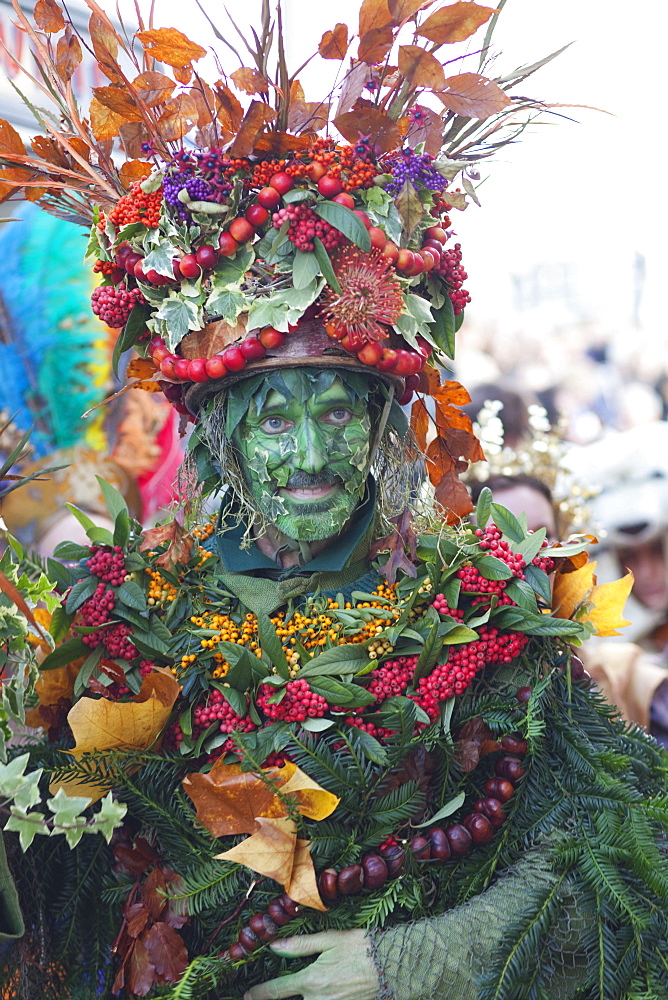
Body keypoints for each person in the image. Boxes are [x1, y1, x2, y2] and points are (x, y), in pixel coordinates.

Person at [0, 3, 666, 998]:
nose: (309, 452)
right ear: (217, 433)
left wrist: (407, 962)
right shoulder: (125, 627)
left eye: (336, 410)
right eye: (270, 418)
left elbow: (615, 860)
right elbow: (55, 890)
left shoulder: (483, 609)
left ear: (382, 422)